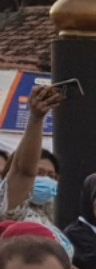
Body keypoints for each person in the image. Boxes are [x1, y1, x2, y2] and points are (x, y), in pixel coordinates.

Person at [0, 85, 63, 231]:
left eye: (51, 176)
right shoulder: (11, 208)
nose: (46, 180)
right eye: (39, 173)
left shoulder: (48, 214)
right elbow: (24, 172)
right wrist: (36, 118)